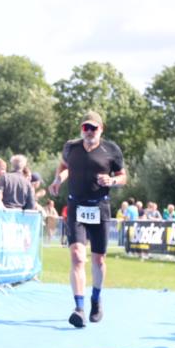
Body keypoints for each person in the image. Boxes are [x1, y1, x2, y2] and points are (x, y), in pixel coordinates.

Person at [48, 111, 127, 328]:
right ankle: (79, 308)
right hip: (76, 207)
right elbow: (64, 166)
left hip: (99, 208)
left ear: (101, 129)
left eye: (94, 128)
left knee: (98, 259)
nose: (89, 132)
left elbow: (123, 177)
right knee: (77, 256)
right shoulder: (71, 147)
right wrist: (58, 180)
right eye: (86, 127)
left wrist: (111, 180)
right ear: (81, 129)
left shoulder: (111, 150)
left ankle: (96, 298)